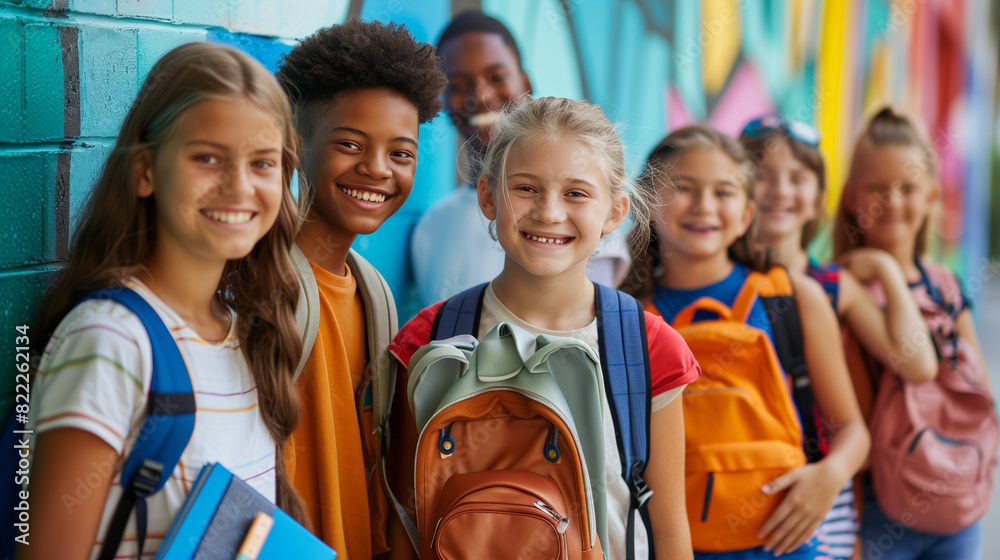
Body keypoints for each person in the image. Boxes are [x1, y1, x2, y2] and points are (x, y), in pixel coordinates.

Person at [22, 42, 305, 560]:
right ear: (145, 171)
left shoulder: (246, 336)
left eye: (262, 162)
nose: (239, 186)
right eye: (208, 158)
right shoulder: (109, 341)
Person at [390, 97, 701, 559]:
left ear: (615, 212)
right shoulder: (429, 338)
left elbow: (670, 531)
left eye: (576, 193)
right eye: (526, 188)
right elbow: (404, 518)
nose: (550, 212)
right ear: (488, 197)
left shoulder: (649, 348)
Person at [624, 125, 870, 559]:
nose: (704, 206)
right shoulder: (625, 318)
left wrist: (828, 476)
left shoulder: (792, 298)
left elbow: (852, 430)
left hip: (783, 543)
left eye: (723, 192)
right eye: (683, 188)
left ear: (746, 214)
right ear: (646, 200)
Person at [274, 19, 448, 560]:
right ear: (297, 144)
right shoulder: (261, 282)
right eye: (350, 144)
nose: (376, 169)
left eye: (401, 153)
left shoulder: (375, 295)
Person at [738, 115, 938, 558]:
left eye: (797, 179)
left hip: (821, 497)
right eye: (763, 176)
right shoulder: (719, 283)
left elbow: (919, 364)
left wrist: (885, 270)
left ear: (817, 201)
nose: (780, 190)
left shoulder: (833, 285)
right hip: (734, 488)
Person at [834, 108, 994, 560]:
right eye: (877, 188)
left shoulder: (945, 284)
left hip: (958, 505)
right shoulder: (843, 285)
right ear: (851, 196)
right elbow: (912, 361)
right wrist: (885, 270)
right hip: (881, 510)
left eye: (907, 188)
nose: (893, 201)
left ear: (931, 196)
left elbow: (980, 389)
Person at [410, 10, 631, 307]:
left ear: (525, 82)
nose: (480, 95)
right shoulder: (432, 227)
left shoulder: (587, 222)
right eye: (457, 85)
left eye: (497, 77)